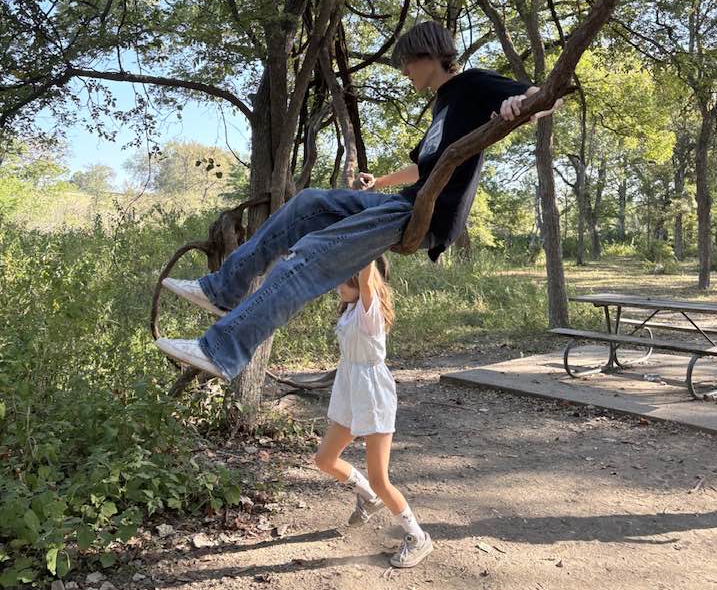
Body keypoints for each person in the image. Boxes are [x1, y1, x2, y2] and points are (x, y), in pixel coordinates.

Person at [155, 21, 561, 382]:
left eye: (407, 62)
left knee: (313, 252)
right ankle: (223, 289)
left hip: (428, 213)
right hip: (407, 199)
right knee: (309, 202)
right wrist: (379, 181)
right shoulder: (443, 105)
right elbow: (426, 169)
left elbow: (548, 98)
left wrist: (521, 105)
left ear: (430, 55)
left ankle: (222, 350)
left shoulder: (472, 84)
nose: (404, 71)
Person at [314, 260, 432, 568]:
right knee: (325, 460)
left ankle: (417, 537)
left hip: (373, 396)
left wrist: (370, 242)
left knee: (381, 479)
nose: (339, 287)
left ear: (360, 283)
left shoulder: (370, 310)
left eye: (345, 282)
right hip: (350, 393)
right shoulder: (351, 309)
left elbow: (367, 283)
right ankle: (367, 496)